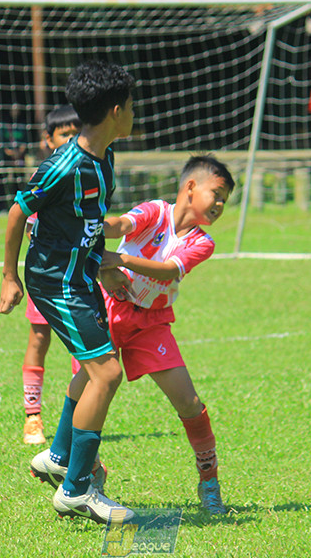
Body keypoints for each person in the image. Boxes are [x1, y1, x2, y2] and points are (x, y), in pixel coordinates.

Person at [0, 59, 135, 524]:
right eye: (132, 106)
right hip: (55, 281)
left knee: (98, 366)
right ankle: (77, 490)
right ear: (116, 110)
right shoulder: (64, 166)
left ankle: (58, 458)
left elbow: (87, 225)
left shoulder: (107, 157)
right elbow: (18, 211)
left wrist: (102, 264)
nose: (136, 113)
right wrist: (11, 277)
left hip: (80, 274)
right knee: (107, 374)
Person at [98, 155, 234, 515]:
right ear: (190, 187)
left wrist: (120, 261)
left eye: (225, 200)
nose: (220, 205)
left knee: (190, 404)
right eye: (216, 194)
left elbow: (167, 272)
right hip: (108, 310)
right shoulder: (155, 212)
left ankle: (209, 481)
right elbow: (121, 224)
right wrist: (96, 226)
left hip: (152, 323)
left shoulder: (203, 242)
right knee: (88, 394)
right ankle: (85, 471)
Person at [20, 104, 82, 445]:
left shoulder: (90, 172)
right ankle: (33, 417)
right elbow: (27, 223)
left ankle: (79, 416)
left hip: (78, 277)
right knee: (38, 340)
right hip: (47, 276)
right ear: (49, 140)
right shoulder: (45, 176)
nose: (70, 140)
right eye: (64, 135)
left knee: (81, 345)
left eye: (76, 134)